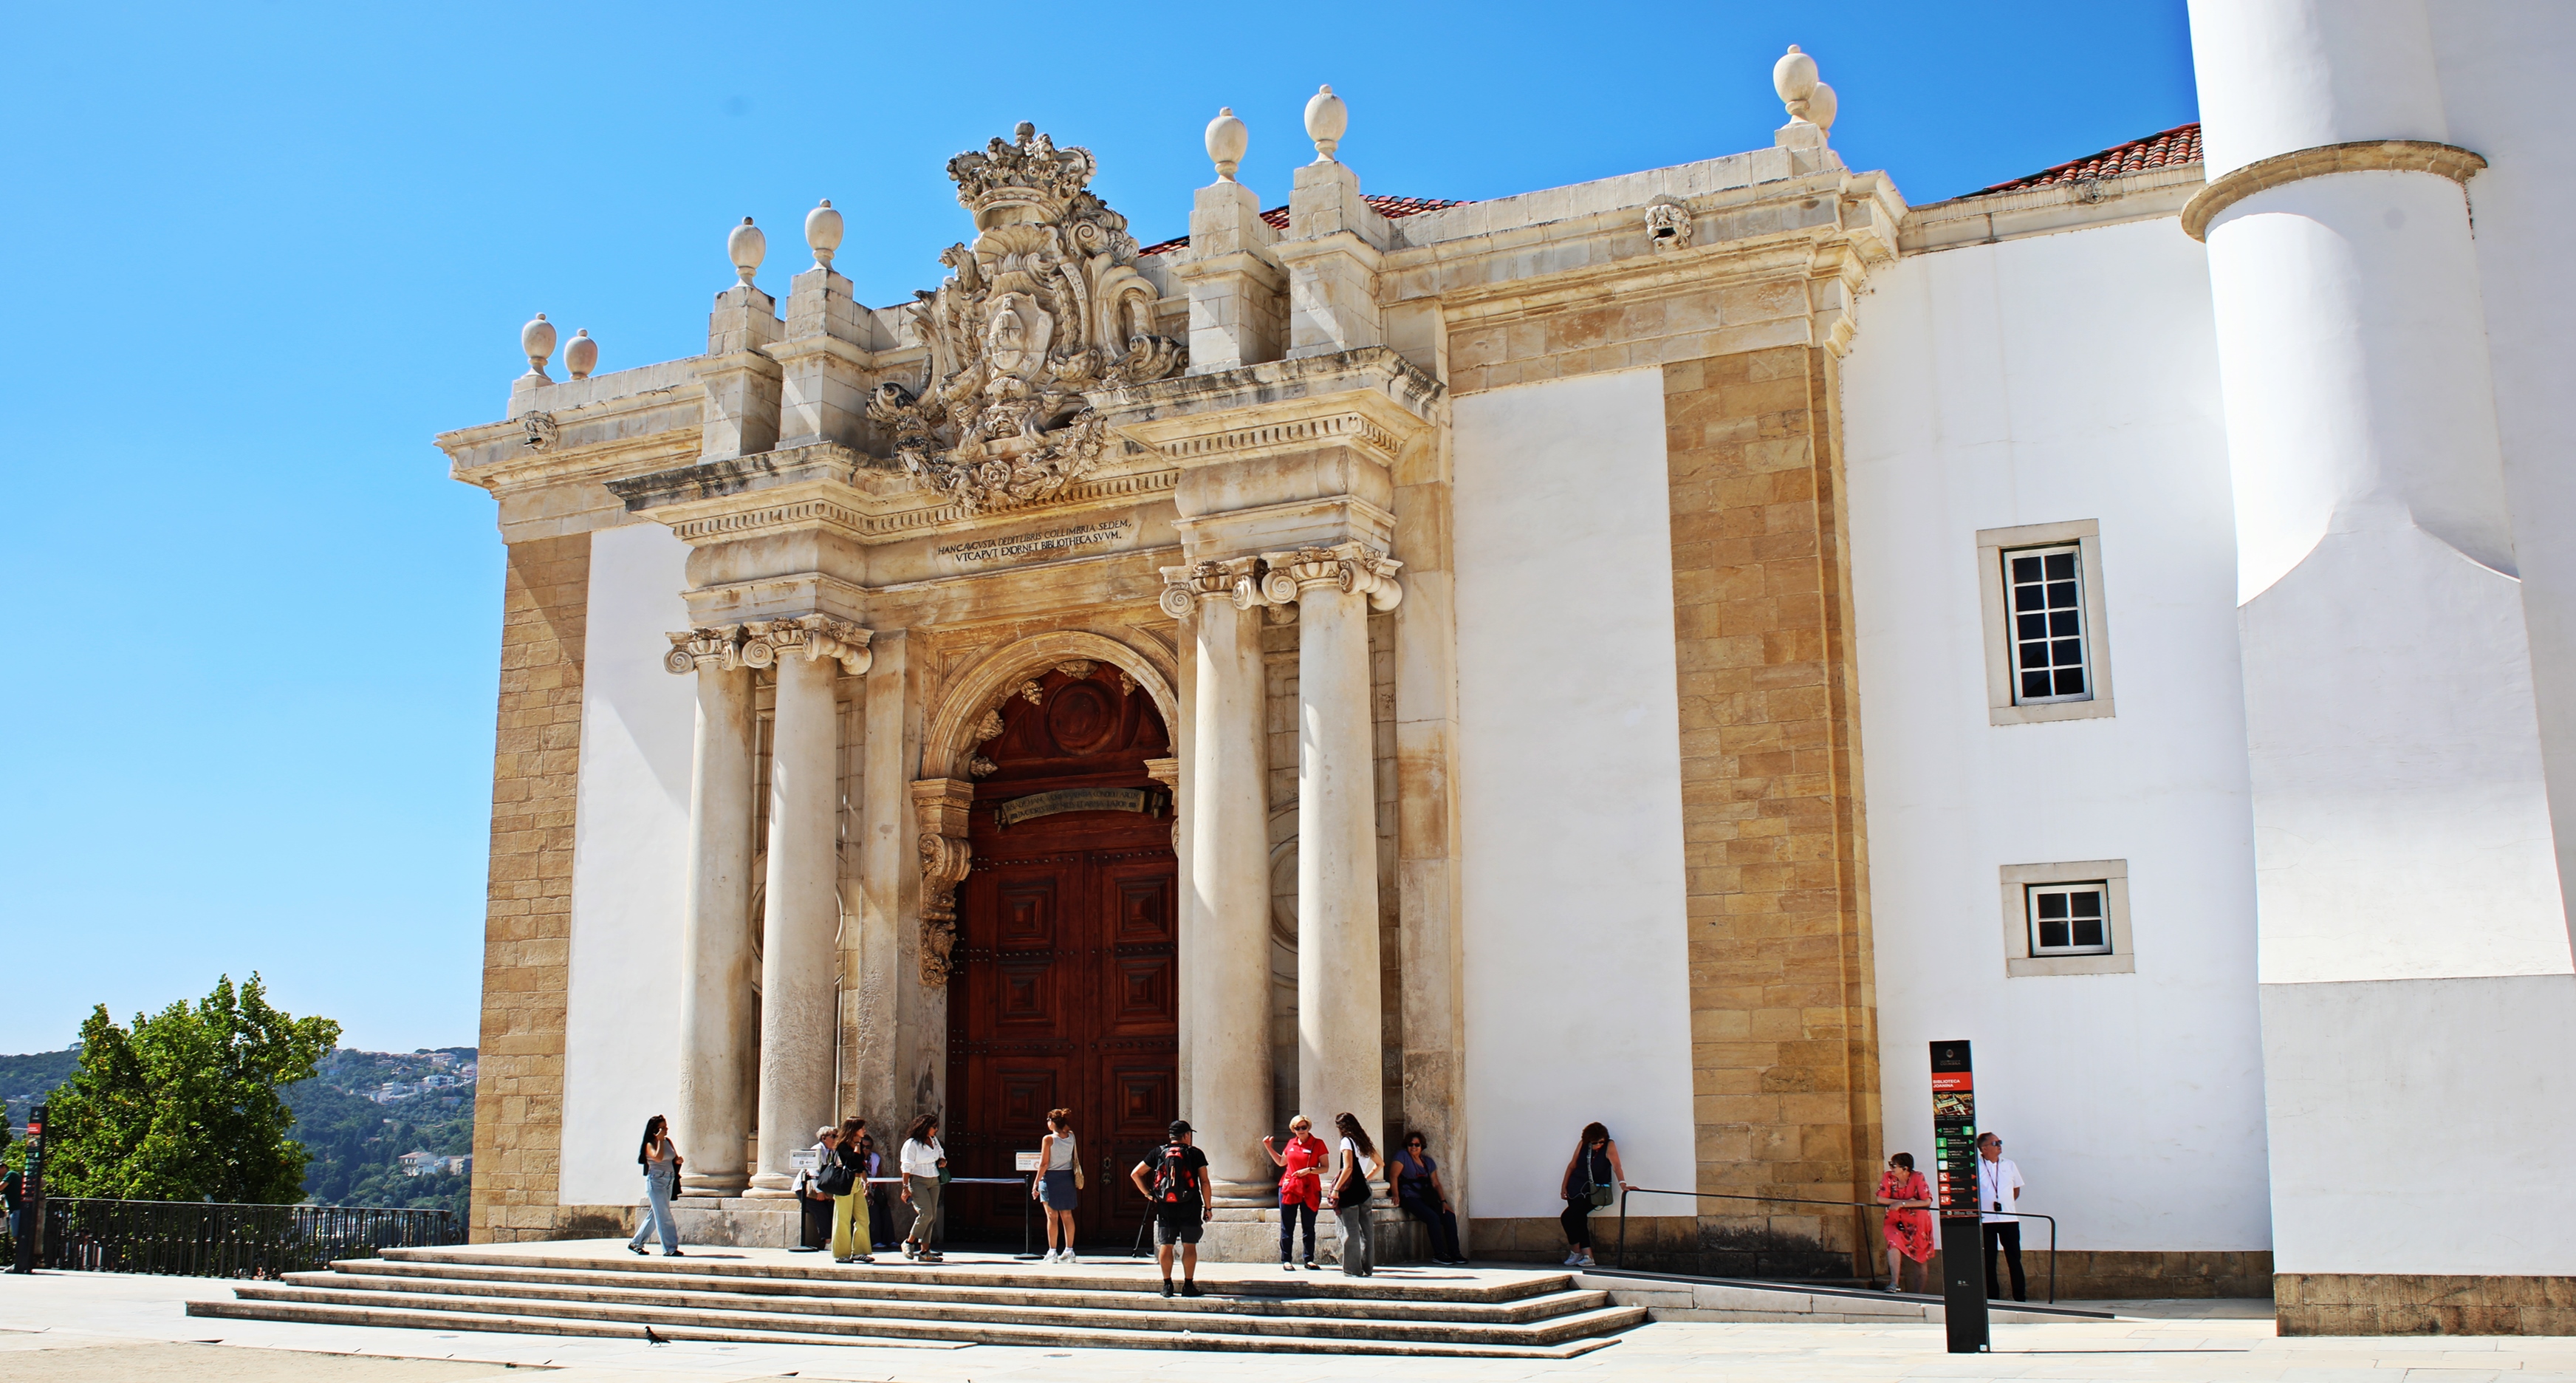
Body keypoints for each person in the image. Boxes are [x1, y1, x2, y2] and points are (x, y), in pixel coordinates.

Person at [1129, 1119, 1210, 1297]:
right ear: (1187, 1135)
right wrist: (1208, 1208)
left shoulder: (1158, 1152)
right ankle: (1188, 1285)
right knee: (1190, 1245)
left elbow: (1135, 1173)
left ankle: (1167, 1285)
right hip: (1191, 1204)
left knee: (1166, 1244)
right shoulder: (1195, 1153)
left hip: (1166, 1205)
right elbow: (1204, 1182)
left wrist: (1149, 1194)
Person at [1558, 1121, 1630, 1268]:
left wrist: (1623, 1184)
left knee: (1568, 1217)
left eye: (1600, 1142)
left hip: (1595, 1190)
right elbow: (1573, 1165)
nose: (1598, 1145)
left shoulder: (1609, 1145)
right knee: (1579, 1219)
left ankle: (1577, 1251)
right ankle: (1586, 1256)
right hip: (1576, 1187)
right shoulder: (1583, 1144)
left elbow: (1616, 1166)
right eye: (1594, 1143)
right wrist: (1564, 1186)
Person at [1261, 1115, 1329, 1271]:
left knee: (1309, 1225)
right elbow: (1281, 1162)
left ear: (1308, 1128)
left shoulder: (1318, 1144)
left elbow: (1325, 1167)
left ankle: (1309, 1259)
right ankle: (1286, 1259)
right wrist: (1268, 1147)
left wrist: (1309, 1170)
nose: (1300, 1131)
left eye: (1303, 1127)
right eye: (1297, 1128)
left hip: (1310, 1188)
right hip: (1290, 1187)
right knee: (1287, 1225)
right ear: (1293, 1130)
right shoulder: (1291, 1143)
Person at [1390, 1130, 1465, 1265]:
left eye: (1417, 1145)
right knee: (1432, 1218)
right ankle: (1439, 1254)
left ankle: (1455, 1253)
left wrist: (1443, 1202)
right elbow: (1393, 1176)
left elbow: (1435, 1183)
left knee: (1449, 1216)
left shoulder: (1428, 1162)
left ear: (1422, 1146)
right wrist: (1396, 1195)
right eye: (1410, 1144)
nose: (1413, 1147)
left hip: (1426, 1197)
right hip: (1409, 1197)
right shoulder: (1402, 1156)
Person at [1328, 1112, 1380, 1277]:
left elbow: (1348, 1167)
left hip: (1350, 1191)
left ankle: (1352, 1269)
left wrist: (1336, 1188)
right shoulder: (1363, 1141)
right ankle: (1368, 1267)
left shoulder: (1346, 1141)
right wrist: (1365, 1179)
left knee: (1350, 1231)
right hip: (1364, 1190)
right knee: (1367, 1231)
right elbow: (1380, 1164)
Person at [1977, 1132, 2028, 1302]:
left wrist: (2005, 1203)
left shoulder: (2009, 1165)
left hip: (2009, 1219)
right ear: (1984, 1149)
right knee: (1989, 1261)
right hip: (1987, 1221)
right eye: (1995, 1143)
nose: (1999, 1145)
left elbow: (2016, 1189)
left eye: (2000, 1142)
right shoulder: (1976, 1166)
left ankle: (2020, 1297)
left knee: (2014, 1259)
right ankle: (1992, 1298)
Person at [1875, 1151, 1934, 1292]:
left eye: (1893, 1165)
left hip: (1918, 1223)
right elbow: (1880, 1199)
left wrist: (1902, 1204)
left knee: (1920, 1257)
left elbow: (1926, 1201)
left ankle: (1919, 1294)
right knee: (1893, 1242)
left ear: (1905, 1168)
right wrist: (1906, 1202)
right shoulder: (1888, 1177)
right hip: (1895, 1221)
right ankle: (1894, 1283)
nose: (1891, 1168)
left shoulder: (1918, 1177)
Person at [627, 1115, 685, 1257]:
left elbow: (672, 1158)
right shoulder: (650, 1144)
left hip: (668, 1180)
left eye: (666, 1127)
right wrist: (659, 1141)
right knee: (664, 1215)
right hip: (656, 1181)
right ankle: (670, 1248)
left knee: (655, 1214)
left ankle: (636, 1243)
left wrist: (677, 1161)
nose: (666, 1130)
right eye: (663, 1128)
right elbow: (658, 1158)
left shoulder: (668, 1142)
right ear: (655, 1130)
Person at [1032, 1107, 1082, 1263]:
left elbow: (1044, 1163)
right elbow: (1066, 1129)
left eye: (1049, 1120)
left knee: (1052, 1216)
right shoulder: (1071, 1136)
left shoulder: (1048, 1139)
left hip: (1051, 1178)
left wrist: (1035, 1183)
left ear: (1053, 1122)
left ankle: (1052, 1251)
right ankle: (1069, 1250)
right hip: (1067, 1178)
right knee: (1067, 1215)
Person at [898, 1114, 948, 1262]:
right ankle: (909, 1242)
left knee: (932, 1217)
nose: (936, 1130)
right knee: (925, 1214)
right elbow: (906, 1166)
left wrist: (943, 1160)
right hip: (918, 1180)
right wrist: (905, 1187)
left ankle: (925, 1251)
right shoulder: (912, 1144)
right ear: (925, 1127)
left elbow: (940, 1154)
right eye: (934, 1127)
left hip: (934, 1180)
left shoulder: (933, 1140)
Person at [829, 1117, 874, 1263]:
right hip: (845, 1183)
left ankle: (859, 1251)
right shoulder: (842, 1145)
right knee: (843, 1219)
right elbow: (852, 1160)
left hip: (857, 1183)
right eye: (862, 1128)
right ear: (854, 1130)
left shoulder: (857, 1144)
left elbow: (860, 1164)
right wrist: (857, 1145)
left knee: (863, 1218)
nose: (864, 1131)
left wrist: (865, 1181)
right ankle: (841, 1253)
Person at [794, 1124, 838, 1251]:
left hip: (823, 1188)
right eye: (833, 1136)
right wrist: (819, 1191)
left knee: (832, 1209)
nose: (836, 1139)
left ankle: (834, 1240)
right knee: (821, 1212)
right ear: (824, 1138)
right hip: (807, 1189)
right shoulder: (817, 1150)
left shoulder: (833, 1152)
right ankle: (828, 1242)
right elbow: (813, 1172)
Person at [855, 1129, 893, 1250]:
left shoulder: (875, 1158)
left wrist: (884, 1196)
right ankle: (876, 1240)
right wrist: (867, 1195)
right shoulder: (855, 1158)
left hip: (874, 1189)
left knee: (885, 1207)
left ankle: (890, 1239)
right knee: (873, 1207)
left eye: (868, 1147)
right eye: (863, 1146)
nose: (866, 1149)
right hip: (860, 1190)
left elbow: (879, 1177)